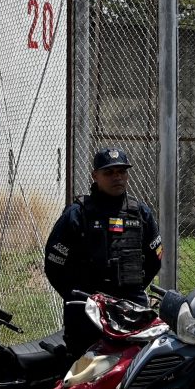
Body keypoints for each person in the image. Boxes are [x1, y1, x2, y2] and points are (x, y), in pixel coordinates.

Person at [44, 147, 163, 343]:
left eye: (122, 172)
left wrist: (129, 288)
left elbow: (154, 260)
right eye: (108, 172)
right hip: (88, 312)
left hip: (131, 309)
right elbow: (54, 264)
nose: (117, 177)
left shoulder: (141, 213)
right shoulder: (77, 214)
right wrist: (79, 299)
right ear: (95, 176)